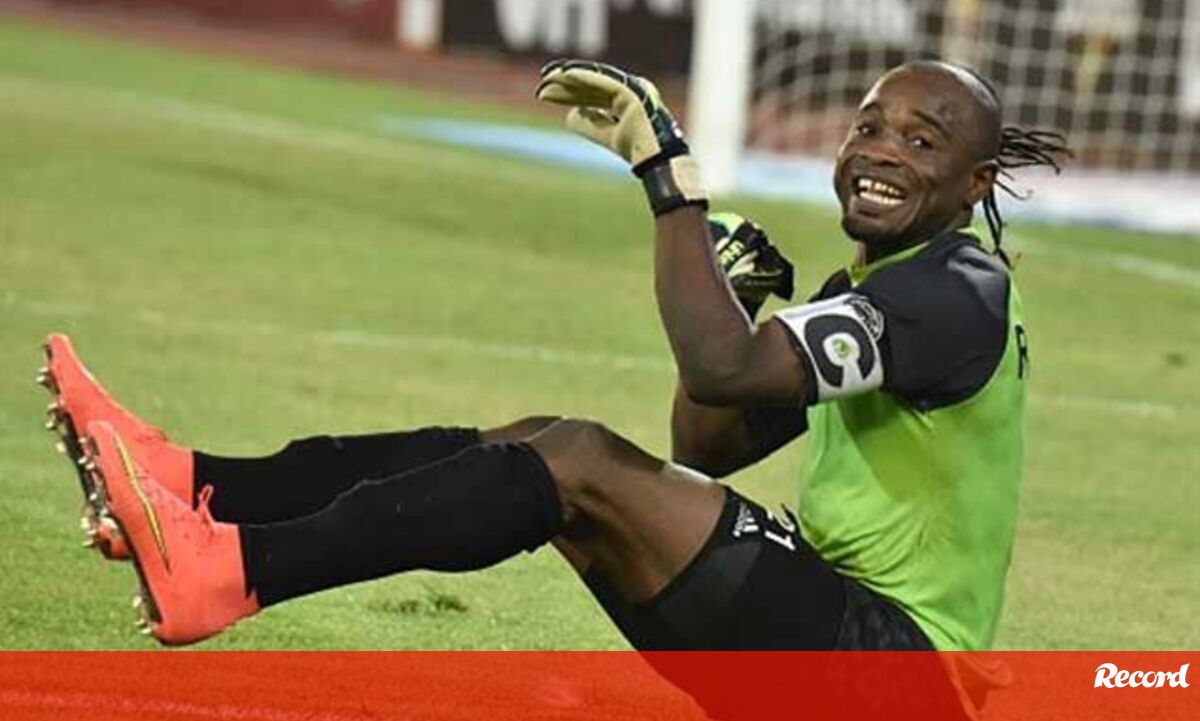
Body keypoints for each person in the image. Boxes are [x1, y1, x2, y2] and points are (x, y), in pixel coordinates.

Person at [40, 59, 1068, 660]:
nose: (882, 149)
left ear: (976, 181)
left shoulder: (957, 293)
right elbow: (706, 444)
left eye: (922, 141)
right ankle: (196, 489)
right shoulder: (891, 289)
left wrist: (668, 179)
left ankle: (230, 571)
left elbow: (722, 370)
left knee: (573, 458)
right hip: (832, 626)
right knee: (537, 446)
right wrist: (741, 297)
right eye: (870, 125)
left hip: (893, 666)